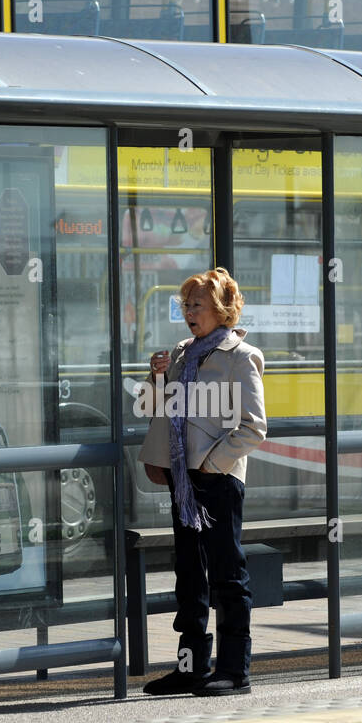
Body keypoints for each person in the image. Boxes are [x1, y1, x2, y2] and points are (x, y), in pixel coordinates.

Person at [138, 268, 267, 696]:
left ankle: (235, 671)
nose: (190, 312)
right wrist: (155, 377)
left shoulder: (240, 356)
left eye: (198, 305)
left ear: (221, 310)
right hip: (183, 481)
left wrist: (213, 464)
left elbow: (254, 427)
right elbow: (152, 409)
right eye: (186, 305)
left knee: (228, 576)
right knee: (189, 576)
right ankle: (191, 667)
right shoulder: (179, 353)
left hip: (217, 480)